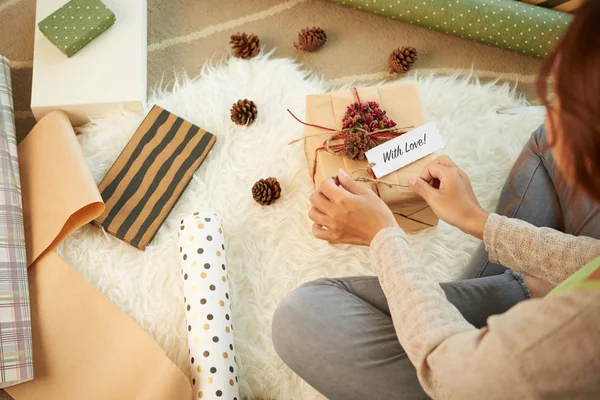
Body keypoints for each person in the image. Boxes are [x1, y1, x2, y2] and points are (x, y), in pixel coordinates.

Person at [271, 1, 600, 398]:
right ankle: (509, 291)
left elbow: (448, 370)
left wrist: (384, 237)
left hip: (474, 376)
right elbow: (593, 260)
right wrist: (478, 221)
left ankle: (490, 306)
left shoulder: (566, 340)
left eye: (561, 104)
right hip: (555, 302)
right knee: (546, 143)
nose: (550, 111)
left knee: (302, 317)